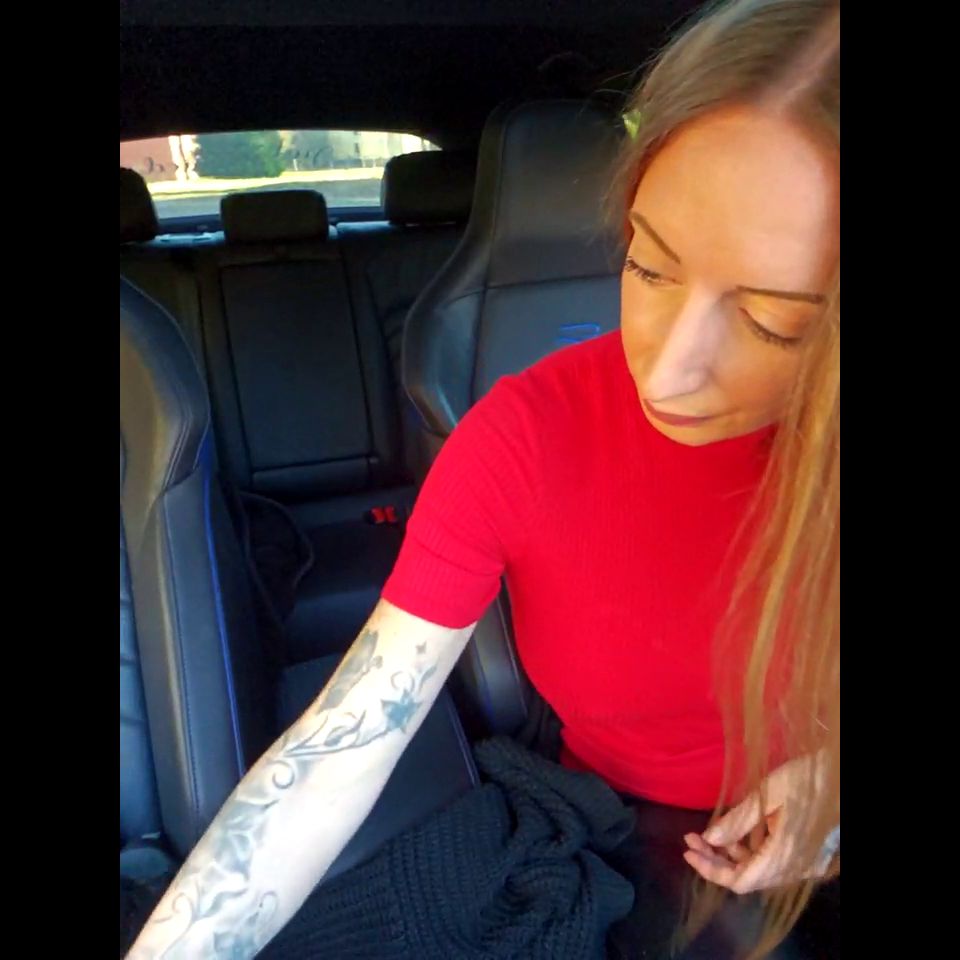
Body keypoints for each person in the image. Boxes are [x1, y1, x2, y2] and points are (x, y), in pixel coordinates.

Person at [126, 0, 840, 956]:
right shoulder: (526, 434)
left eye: (769, 324)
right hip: (638, 842)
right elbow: (339, 750)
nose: (665, 375)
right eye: (648, 267)